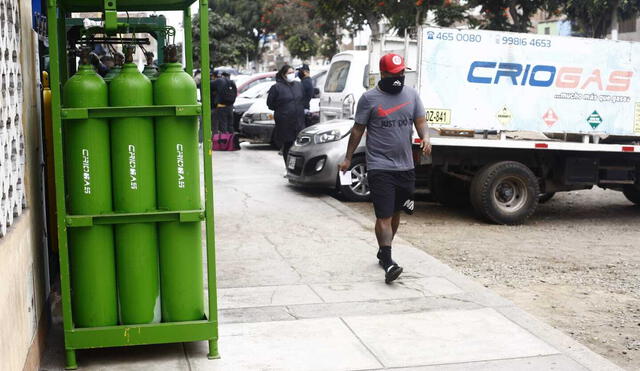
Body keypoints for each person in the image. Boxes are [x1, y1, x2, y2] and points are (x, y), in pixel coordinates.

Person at [338, 53, 432, 284]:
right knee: (384, 215)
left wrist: (426, 138)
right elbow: (358, 130)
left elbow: (420, 121)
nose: (399, 77)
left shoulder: (411, 95)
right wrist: (348, 158)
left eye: (402, 73)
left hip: (406, 165)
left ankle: (383, 250)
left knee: (396, 213)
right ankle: (389, 262)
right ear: (382, 74)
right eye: (394, 74)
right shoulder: (369, 99)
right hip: (379, 165)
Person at [267, 64, 305, 167]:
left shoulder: (298, 85)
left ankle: (295, 167)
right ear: (283, 75)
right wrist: (283, 111)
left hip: (299, 121)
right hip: (285, 122)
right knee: (288, 146)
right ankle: (288, 167)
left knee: (298, 146)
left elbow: (303, 99)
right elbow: (270, 104)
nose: (292, 75)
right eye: (289, 73)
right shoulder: (276, 87)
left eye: (293, 72)